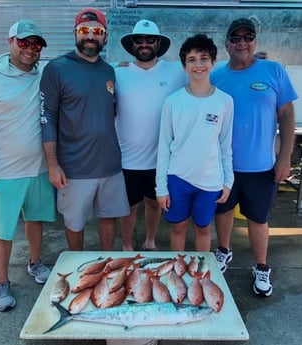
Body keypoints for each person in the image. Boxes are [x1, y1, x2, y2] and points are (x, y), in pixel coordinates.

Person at [0, 19, 56, 312]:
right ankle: (2, 281)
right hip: (4, 172)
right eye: (24, 42)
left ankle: (34, 262)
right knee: (2, 231)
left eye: (36, 44)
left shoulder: (43, 74)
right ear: (10, 42)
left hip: (39, 168)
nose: (30, 49)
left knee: (35, 220)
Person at [211, 18, 297, 297]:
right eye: (235, 38)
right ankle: (224, 251)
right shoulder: (215, 76)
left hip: (261, 166)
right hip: (223, 165)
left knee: (258, 218)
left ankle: (261, 266)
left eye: (248, 37)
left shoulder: (273, 70)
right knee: (222, 212)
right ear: (226, 44)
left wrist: (284, 158)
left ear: (255, 41)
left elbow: (286, 115)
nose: (242, 43)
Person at [40, 7, 129, 251]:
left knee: (109, 216)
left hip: (110, 165)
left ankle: (107, 262)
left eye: (97, 31)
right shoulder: (57, 69)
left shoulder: (109, 70)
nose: (90, 36)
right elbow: (46, 116)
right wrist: (52, 164)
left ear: (105, 36)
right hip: (74, 168)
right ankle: (76, 264)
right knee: (75, 222)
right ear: (75, 33)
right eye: (84, 30)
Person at [156, 34, 234, 252]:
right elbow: (164, 146)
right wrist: (161, 187)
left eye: (204, 58)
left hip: (210, 181)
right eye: (192, 59)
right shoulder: (172, 102)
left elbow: (225, 145)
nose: (198, 64)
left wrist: (228, 181)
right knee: (178, 228)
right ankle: (176, 276)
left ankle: (202, 277)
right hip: (178, 178)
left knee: (203, 229)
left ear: (213, 62)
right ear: (184, 66)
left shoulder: (225, 102)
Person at [115, 19, 187, 251]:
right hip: (126, 158)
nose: (144, 44)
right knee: (128, 207)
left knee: (154, 203)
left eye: (150, 40)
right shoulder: (117, 71)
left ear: (158, 43)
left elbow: (207, 67)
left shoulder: (177, 70)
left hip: (161, 158)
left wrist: (256, 58)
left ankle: (150, 241)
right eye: (139, 40)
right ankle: (127, 245)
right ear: (132, 44)